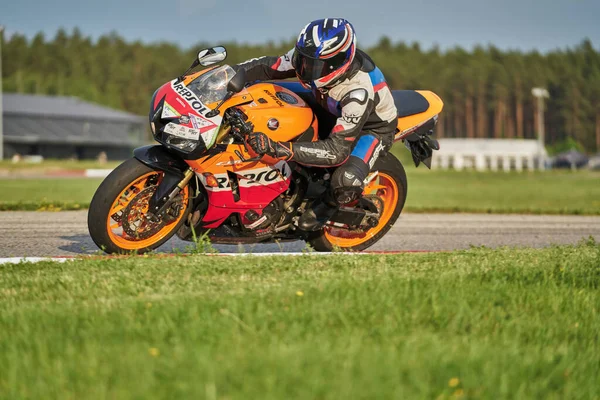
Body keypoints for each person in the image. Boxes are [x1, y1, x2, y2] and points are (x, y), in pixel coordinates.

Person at [234, 18, 398, 232]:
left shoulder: (358, 91)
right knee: (263, 92)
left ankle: (328, 205)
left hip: (371, 127)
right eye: (303, 60)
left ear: (338, 63)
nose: (304, 68)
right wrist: (227, 76)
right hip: (327, 102)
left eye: (313, 65)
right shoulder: (309, 56)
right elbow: (267, 66)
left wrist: (278, 148)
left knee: (345, 180)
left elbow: (336, 151)